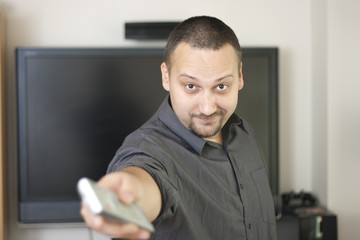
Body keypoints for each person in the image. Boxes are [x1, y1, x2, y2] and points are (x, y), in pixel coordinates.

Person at [81, 16, 277, 240]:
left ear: (240, 76)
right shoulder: (150, 151)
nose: (207, 107)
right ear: (166, 76)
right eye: (191, 86)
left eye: (221, 86)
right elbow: (143, 180)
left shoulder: (245, 133)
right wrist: (129, 195)